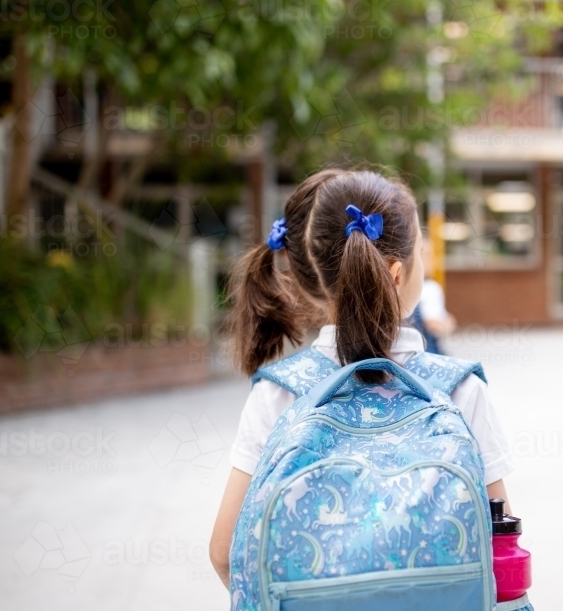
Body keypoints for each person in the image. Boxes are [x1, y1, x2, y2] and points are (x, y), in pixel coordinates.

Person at [208, 169, 515, 590]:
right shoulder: (460, 388)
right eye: (421, 255)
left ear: (302, 278)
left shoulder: (278, 393)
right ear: (395, 274)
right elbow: (501, 548)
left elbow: (225, 553)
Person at [407, 236, 457, 354]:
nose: (433, 261)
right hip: (428, 351)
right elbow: (433, 324)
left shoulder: (403, 290)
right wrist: (446, 325)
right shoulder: (430, 289)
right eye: (428, 257)